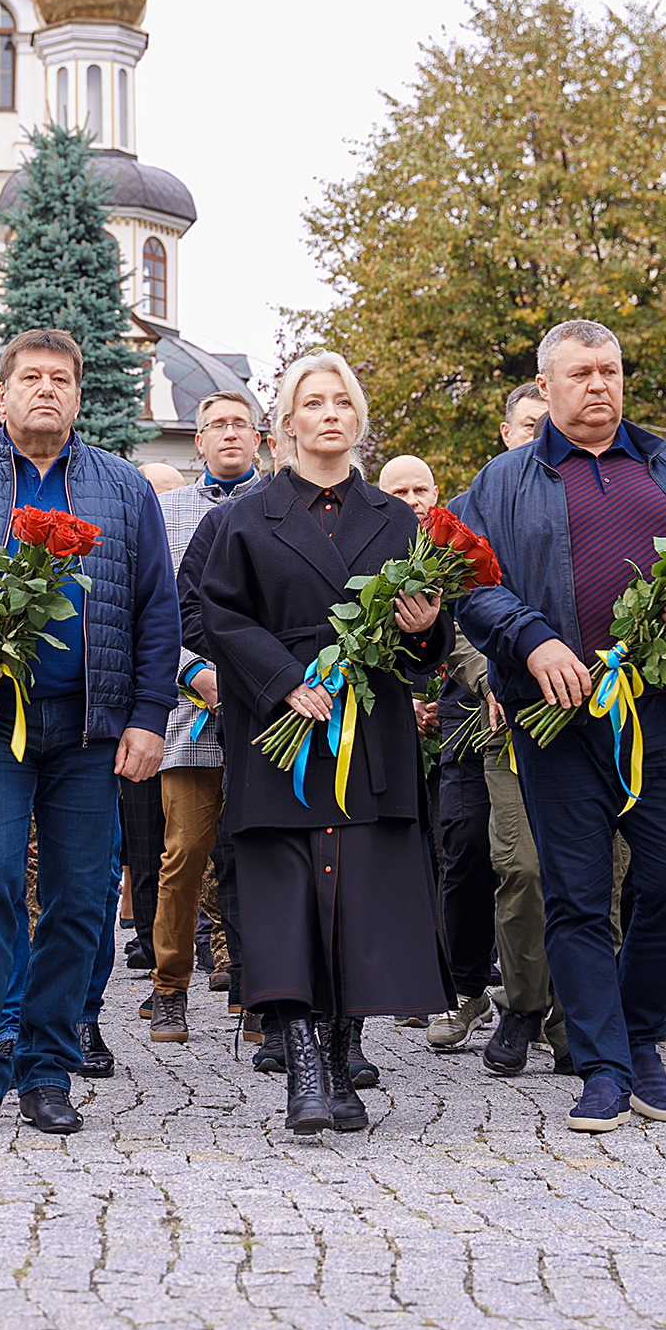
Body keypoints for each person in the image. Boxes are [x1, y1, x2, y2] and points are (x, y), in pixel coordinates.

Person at [0, 327, 181, 1138]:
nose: (46, 389)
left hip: (90, 731)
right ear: (3, 395)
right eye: (30, 377)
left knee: (82, 900)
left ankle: (48, 1068)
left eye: (61, 379)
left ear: (78, 399)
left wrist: (149, 718)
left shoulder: (123, 490)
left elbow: (159, 611)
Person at [455, 321, 666, 1134]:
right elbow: (474, 586)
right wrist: (533, 639)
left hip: (660, 709)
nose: (599, 386)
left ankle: (642, 1030)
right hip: (558, 717)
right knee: (575, 896)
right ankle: (606, 1066)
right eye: (580, 374)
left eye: (610, 370)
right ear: (546, 389)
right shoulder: (504, 480)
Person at [199, 352, 447, 1133]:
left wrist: (427, 629)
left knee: (362, 899)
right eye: (314, 402)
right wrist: (281, 678)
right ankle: (301, 1062)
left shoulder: (396, 518)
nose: (331, 413)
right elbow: (217, 615)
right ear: (288, 423)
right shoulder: (246, 515)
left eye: (343, 401)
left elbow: (429, 641)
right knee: (285, 898)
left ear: (358, 419)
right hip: (283, 727)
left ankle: (343, 1061)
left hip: (371, 728)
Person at [447, 382, 575, 1075]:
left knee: (592, 877)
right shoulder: (484, 502)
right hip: (511, 716)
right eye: (528, 424)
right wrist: (486, 674)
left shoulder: (587, 491)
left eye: (546, 425)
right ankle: (524, 1004)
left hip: (591, 715)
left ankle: (573, 1018)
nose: (537, 435)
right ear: (507, 432)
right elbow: (460, 605)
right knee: (522, 868)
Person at [144, 390, 265, 1045]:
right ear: (197, 441)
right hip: (191, 710)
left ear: (259, 437)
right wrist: (194, 672)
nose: (227, 435)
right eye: (214, 425)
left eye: (238, 424)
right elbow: (154, 614)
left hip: (269, 712)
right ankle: (169, 988)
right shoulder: (165, 514)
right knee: (186, 851)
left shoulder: (282, 506)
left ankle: (254, 987)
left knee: (257, 850)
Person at [385, 451, 494, 1042]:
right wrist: (405, 702)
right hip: (413, 721)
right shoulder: (378, 545)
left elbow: (465, 628)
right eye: (398, 491)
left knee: (486, 852)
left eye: (420, 488)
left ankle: (482, 977)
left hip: (475, 707)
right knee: (438, 853)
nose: (412, 500)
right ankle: (445, 981)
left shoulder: (456, 545)